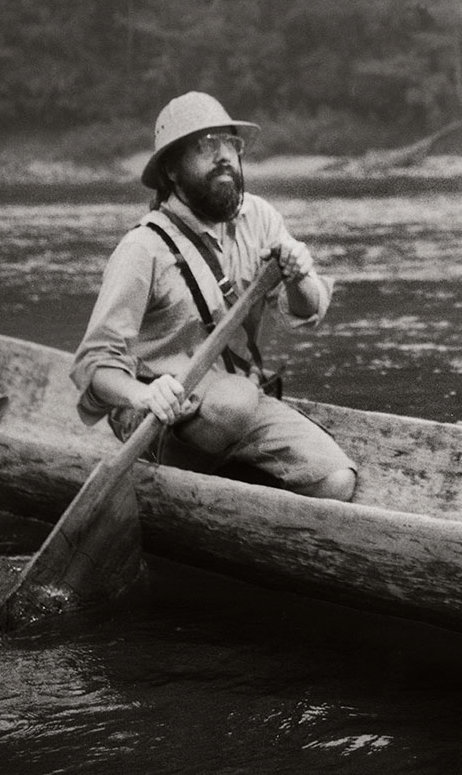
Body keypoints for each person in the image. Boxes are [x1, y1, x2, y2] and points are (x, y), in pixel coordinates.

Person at [70, 92, 358, 501]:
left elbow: (309, 310)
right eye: (206, 146)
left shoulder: (259, 217)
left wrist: (298, 277)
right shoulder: (142, 249)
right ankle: (191, 475)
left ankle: (222, 480)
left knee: (335, 481)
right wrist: (143, 394)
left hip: (235, 402)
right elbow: (93, 364)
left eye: (229, 144)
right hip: (159, 418)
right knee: (234, 403)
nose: (223, 155)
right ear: (171, 169)